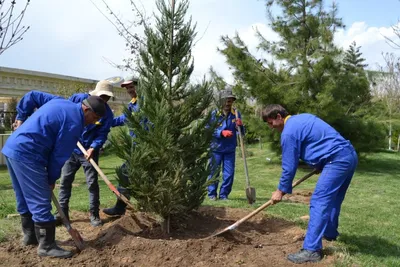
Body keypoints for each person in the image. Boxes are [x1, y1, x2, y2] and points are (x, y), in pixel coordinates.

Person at [2, 95, 106, 258]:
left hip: (12, 148)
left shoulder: (61, 102)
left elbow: (33, 95)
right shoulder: (74, 123)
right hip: (29, 154)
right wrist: (51, 179)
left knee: (23, 196)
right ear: (86, 109)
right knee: (41, 199)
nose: (94, 122)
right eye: (95, 117)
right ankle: (47, 246)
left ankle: (30, 237)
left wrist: (21, 116)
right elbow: (59, 157)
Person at [261, 104, 358, 264]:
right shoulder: (303, 117)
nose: (271, 127)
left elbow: (289, 167)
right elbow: (322, 139)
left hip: (337, 160)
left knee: (319, 201)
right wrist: (321, 162)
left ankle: (312, 250)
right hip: (348, 155)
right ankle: (330, 233)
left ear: (279, 116)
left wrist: (280, 191)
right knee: (333, 199)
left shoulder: (288, 133)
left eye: (271, 123)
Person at [55, 80, 114, 227]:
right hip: (72, 148)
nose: (104, 100)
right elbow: (67, 113)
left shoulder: (107, 114)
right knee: (65, 181)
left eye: (107, 97)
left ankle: (94, 214)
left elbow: (102, 133)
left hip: (89, 152)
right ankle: (62, 214)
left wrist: (93, 147)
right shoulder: (77, 99)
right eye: (102, 96)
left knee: (92, 183)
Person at [102, 75, 140, 216]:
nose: (129, 90)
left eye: (132, 86)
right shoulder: (133, 104)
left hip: (144, 146)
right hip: (135, 146)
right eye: (128, 88)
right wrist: (104, 120)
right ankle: (122, 206)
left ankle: (120, 207)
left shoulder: (146, 103)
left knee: (125, 173)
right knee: (128, 174)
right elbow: (123, 119)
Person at [207, 88, 244, 201]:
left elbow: (241, 133)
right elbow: (207, 129)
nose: (228, 103)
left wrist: (240, 126)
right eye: (226, 101)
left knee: (229, 174)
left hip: (229, 149)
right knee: (214, 172)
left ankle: (224, 195)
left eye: (230, 101)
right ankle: (212, 194)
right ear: (221, 101)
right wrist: (221, 133)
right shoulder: (214, 114)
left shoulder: (236, 114)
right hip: (215, 148)